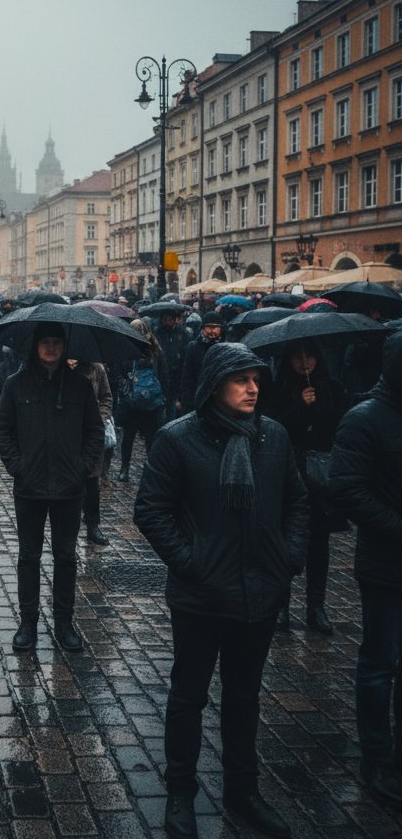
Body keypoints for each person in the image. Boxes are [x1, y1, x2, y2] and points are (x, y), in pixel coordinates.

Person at [134, 343, 308, 839]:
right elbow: (151, 510)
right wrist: (192, 564)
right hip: (200, 596)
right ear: (215, 387)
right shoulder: (178, 439)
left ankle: (243, 790)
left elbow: (297, 502)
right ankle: (181, 793)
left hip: (259, 594)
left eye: (256, 379)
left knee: (244, 697)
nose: (254, 388)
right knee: (188, 698)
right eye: (241, 380)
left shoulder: (271, 436)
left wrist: (288, 557)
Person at [0, 324, 104, 653]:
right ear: (36, 347)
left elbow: (95, 431)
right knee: (29, 557)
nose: (51, 348)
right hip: (29, 488)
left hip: (69, 489)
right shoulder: (16, 384)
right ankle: (28, 623)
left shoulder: (80, 387)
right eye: (45, 343)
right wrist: (18, 466)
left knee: (66, 558)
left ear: (64, 347)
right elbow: (2, 430)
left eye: (56, 343)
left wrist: (82, 468)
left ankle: (64, 623)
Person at [330, 331, 402, 808]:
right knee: (380, 664)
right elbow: (348, 490)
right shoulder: (365, 418)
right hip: (385, 564)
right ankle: (377, 757)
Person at [267, 342, 348, 635]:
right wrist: (300, 406)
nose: (304, 362)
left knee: (319, 544)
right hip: (289, 473)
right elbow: (275, 427)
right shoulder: (278, 389)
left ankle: (316, 607)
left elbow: (340, 424)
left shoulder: (332, 386)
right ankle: (282, 606)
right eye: (297, 357)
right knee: (286, 541)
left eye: (309, 356)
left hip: (320, 475)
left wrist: (318, 406)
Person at [114, 319, 168, 483]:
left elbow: (117, 374)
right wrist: (163, 396)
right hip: (152, 403)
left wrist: (124, 388)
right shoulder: (156, 349)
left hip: (132, 402)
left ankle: (125, 469)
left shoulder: (125, 349)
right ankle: (151, 470)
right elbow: (164, 376)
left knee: (129, 438)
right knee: (150, 439)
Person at [69, 358, 113, 546]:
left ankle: (93, 525)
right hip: (68, 433)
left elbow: (106, 397)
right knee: (70, 482)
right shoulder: (60, 367)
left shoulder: (97, 369)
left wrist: (100, 420)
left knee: (92, 482)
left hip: (91, 433)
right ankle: (69, 527)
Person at [178, 312, 225, 414]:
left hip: (220, 398)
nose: (212, 331)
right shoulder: (193, 347)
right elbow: (187, 376)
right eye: (209, 327)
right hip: (198, 397)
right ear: (203, 329)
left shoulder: (226, 347)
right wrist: (186, 400)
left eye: (215, 327)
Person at [154, 311, 191, 422]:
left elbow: (186, 349)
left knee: (172, 400)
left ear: (175, 319)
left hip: (177, 371)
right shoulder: (158, 332)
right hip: (162, 371)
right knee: (161, 400)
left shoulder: (182, 333)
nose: (167, 322)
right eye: (165, 319)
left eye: (170, 319)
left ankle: (170, 422)